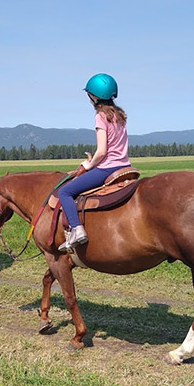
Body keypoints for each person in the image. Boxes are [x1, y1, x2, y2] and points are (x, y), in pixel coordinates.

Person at [58, 73, 131, 252]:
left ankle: (77, 230)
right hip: (125, 166)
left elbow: (102, 151)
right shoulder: (120, 115)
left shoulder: (100, 116)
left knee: (65, 191)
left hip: (108, 168)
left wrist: (87, 165)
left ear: (94, 96)